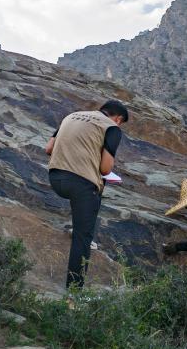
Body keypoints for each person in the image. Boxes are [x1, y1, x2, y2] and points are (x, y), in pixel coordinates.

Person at [45, 99, 129, 289]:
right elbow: (105, 169)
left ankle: (79, 226)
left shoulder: (71, 116)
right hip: (81, 185)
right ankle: (74, 294)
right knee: (82, 239)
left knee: (86, 198)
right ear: (118, 119)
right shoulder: (111, 128)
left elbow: (48, 148)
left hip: (55, 178)